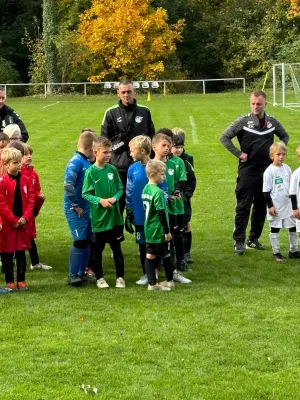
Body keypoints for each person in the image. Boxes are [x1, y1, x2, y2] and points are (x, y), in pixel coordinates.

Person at [220, 90, 289, 255]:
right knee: (243, 206)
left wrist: (277, 152)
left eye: (259, 103)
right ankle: (239, 241)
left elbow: (284, 136)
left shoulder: (272, 121)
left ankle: (253, 239)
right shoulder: (243, 121)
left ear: (265, 103)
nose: (255, 106)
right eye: (253, 103)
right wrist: (239, 154)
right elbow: (224, 137)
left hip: (266, 172)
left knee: (261, 206)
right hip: (247, 171)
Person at [101, 79, 155, 213]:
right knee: (118, 202)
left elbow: (151, 136)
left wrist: (151, 159)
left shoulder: (144, 111)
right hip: (119, 167)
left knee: (141, 199)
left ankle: (142, 230)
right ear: (118, 93)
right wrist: (120, 143)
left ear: (135, 92)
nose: (126, 95)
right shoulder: (110, 113)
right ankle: (118, 233)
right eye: (123, 92)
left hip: (141, 166)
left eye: (129, 92)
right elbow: (104, 141)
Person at [82, 136, 125, 289]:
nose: (108, 155)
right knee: (97, 250)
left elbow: (120, 189)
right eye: (105, 152)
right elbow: (86, 193)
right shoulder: (90, 172)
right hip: (99, 219)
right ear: (95, 152)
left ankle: (120, 277)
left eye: (110, 152)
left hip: (115, 218)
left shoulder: (112, 169)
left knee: (117, 249)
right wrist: (100, 201)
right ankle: (100, 278)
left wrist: (114, 199)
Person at [152, 133, 192, 284]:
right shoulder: (152, 164)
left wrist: (176, 192)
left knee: (176, 236)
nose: (168, 148)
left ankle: (177, 266)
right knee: (161, 238)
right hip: (160, 208)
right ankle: (155, 271)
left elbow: (182, 180)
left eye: (169, 145)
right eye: (165, 145)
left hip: (176, 207)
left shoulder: (178, 162)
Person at [64, 129, 96, 286]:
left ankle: (82, 273)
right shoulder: (76, 161)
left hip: (86, 209)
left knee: (88, 240)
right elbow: (68, 185)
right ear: (91, 148)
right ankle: (73, 274)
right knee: (79, 241)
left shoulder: (85, 161)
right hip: (75, 210)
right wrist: (75, 205)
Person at [0, 148, 35, 291]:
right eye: (15, 163)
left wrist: (25, 217)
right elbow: (1, 204)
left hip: (22, 224)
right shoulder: (2, 182)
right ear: (6, 164)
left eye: (19, 162)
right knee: (7, 255)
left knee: (21, 254)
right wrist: (13, 220)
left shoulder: (25, 179)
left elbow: (31, 199)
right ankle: (9, 282)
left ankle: (21, 280)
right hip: (8, 225)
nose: (19, 165)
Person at [263, 142, 299, 261]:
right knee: (275, 228)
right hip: (276, 206)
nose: (281, 156)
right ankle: (276, 252)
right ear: (272, 155)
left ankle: (293, 250)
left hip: (288, 205)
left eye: (283, 154)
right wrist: (270, 206)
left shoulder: (287, 168)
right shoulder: (269, 171)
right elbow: (266, 191)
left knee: (293, 227)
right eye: (278, 154)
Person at [142, 160, 174, 291]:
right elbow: (161, 213)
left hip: (148, 228)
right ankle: (169, 280)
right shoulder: (158, 192)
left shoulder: (145, 189)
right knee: (165, 255)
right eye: (161, 174)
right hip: (158, 229)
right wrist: (166, 231)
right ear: (152, 174)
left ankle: (152, 283)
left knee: (150, 255)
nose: (164, 176)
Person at [21, 144, 52, 270]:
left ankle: (35, 263)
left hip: (31, 210)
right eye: (25, 154)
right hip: (23, 211)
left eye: (30, 154)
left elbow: (36, 189)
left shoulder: (33, 174)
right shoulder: (19, 174)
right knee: (21, 237)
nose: (29, 157)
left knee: (30, 236)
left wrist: (39, 196)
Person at [171, 133, 196, 264]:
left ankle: (186, 253)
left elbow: (192, 181)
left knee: (185, 225)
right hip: (170, 201)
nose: (179, 150)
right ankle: (172, 253)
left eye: (181, 147)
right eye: (176, 147)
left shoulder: (186, 162)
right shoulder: (165, 162)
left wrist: (185, 197)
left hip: (183, 201)